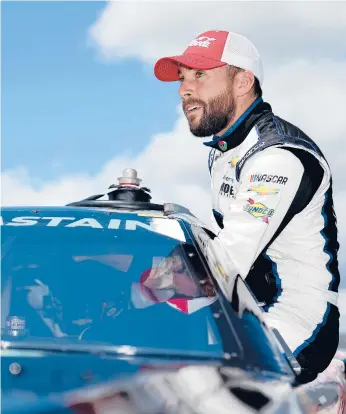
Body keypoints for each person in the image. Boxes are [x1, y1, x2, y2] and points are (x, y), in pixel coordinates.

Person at [154, 29, 340, 384]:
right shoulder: (223, 152)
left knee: (187, 386)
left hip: (298, 324)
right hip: (246, 311)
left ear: (243, 81)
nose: (184, 90)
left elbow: (222, 263)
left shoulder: (278, 157)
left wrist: (139, 289)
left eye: (199, 75)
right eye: (182, 78)